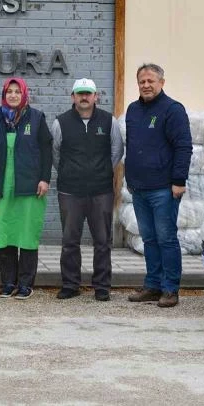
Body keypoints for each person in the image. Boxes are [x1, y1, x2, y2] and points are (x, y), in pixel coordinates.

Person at [125, 64, 192, 308]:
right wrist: (130, 181)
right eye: (142, 81)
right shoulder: (132, 110)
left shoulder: (172, 110)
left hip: (164, 189)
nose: (146, 85)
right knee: (149, 239)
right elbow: (131, 146)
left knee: (166, 239)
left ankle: (170, 289)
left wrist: (178, 181)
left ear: (162, 82)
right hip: (139, 188)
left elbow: (184, 146)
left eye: (151, 80)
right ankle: (153, 285)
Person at [51, 78, 124, 302]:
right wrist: (71, 172)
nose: (84, 97)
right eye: (80, 93)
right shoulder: (60, 122)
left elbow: (117, 150)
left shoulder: (108, 121)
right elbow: (55, 154)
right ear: (73, 96)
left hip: (101, 191)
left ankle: (102, 286)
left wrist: (100, 171)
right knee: (70, 241)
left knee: (102, 241)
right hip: (70, 191)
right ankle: (70, 284)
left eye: (88, 93)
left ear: (96, 96)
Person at [0, 77, 52, 300]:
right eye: (9, 91)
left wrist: (45, 178)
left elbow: (46, 150)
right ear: (4, 94)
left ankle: (25, 284)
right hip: (2, 188)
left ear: (24, 94)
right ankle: (7, 282)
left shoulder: (36, 118)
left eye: (17, 91)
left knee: (26, 235)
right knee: (4, 235)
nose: (13, 95)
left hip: (29, 187)